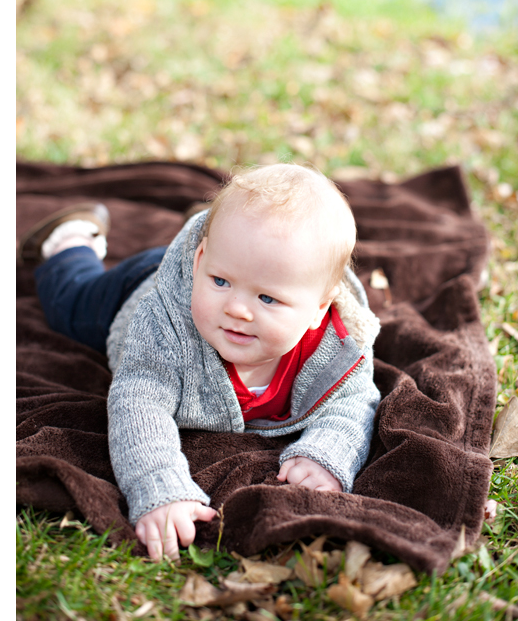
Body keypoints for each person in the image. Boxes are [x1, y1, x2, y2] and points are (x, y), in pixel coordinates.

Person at [20, 163, 382, 561]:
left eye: (267, 299)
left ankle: (228, 236)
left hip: (226, 254)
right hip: (135, 287)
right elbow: (138, 403)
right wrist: (158, 486)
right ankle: (71, 241)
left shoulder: (338, 348)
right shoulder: (162, 327)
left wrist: (326, 452)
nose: (237, 310)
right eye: (221, 282)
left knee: (243, 259)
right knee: (69, 304)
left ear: (319, 308)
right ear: (200, 261)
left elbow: (354, 401)